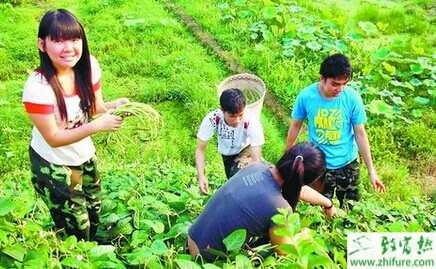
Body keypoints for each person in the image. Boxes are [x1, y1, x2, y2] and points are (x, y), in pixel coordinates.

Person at [22, 9, 128, 241]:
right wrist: (98, 126)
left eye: (74, 38)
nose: (69, 47)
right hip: (54, 164)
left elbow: (94, 107)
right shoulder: (37, 88)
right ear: (42, 44)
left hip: (83, 155)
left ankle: (91, 251)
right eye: (58, 40)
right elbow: (54, 137)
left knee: (94, 210)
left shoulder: (89, 66)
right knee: (75, 227)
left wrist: (113, 106)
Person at [188, 142, 337, 262]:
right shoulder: (280, 207)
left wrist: (327, 203)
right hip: (206, 259)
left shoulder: (257, 167)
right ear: (307, 181)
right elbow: (284, 252)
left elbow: (299, 190)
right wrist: (303, 237)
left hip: (193, 238)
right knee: (280, 248)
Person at [287, 53, 385, 209]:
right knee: (319, 208)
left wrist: (372, 171)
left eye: (343, 84)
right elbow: (295, 125)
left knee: (350, 208)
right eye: (335, 84)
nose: (339, 89)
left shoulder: (352, 98)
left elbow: (360, 133)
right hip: (319, 164)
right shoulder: (306, 96)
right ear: (322, 78)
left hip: (347, 164)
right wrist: (288, 154)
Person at [195, 88, 265, 194]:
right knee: (231, 177)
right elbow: (200, 149)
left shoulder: (251, 121)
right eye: (232, 116)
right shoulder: (213, 119)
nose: (237, 120)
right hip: (226, 154)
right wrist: (201, 176)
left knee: (237, 181)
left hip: (245, 149)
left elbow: (256, 159)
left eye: (240, 115)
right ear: (222, 110)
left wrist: (253, 170)